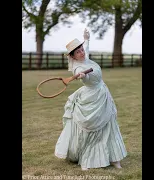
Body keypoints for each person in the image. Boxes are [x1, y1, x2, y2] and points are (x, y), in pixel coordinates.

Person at [54, 28, 127, 171]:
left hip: (103, 95)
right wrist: (83, 76)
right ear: (73, 56)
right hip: (91, 97)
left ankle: (114, 158)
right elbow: (85, 77)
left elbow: (86, 47)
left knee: (109, 125)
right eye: (78, 52)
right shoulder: (77, 68)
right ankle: (86, 158)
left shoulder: (84, 56)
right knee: (90, 129)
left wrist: (86, 38)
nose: (81, 52)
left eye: (81, 49)